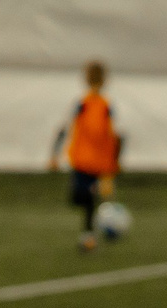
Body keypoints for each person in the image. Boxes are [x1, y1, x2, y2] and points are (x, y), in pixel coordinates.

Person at [51, 61, 125, 253]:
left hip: (98, 162)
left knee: (90, 199)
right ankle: (99, 226)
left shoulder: (105, 106)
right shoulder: (82, 104)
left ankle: (89, 237)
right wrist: (55, 154)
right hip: (82, 159)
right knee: (78, 198)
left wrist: (113, 166)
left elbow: (114, 136)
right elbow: (66, 128)